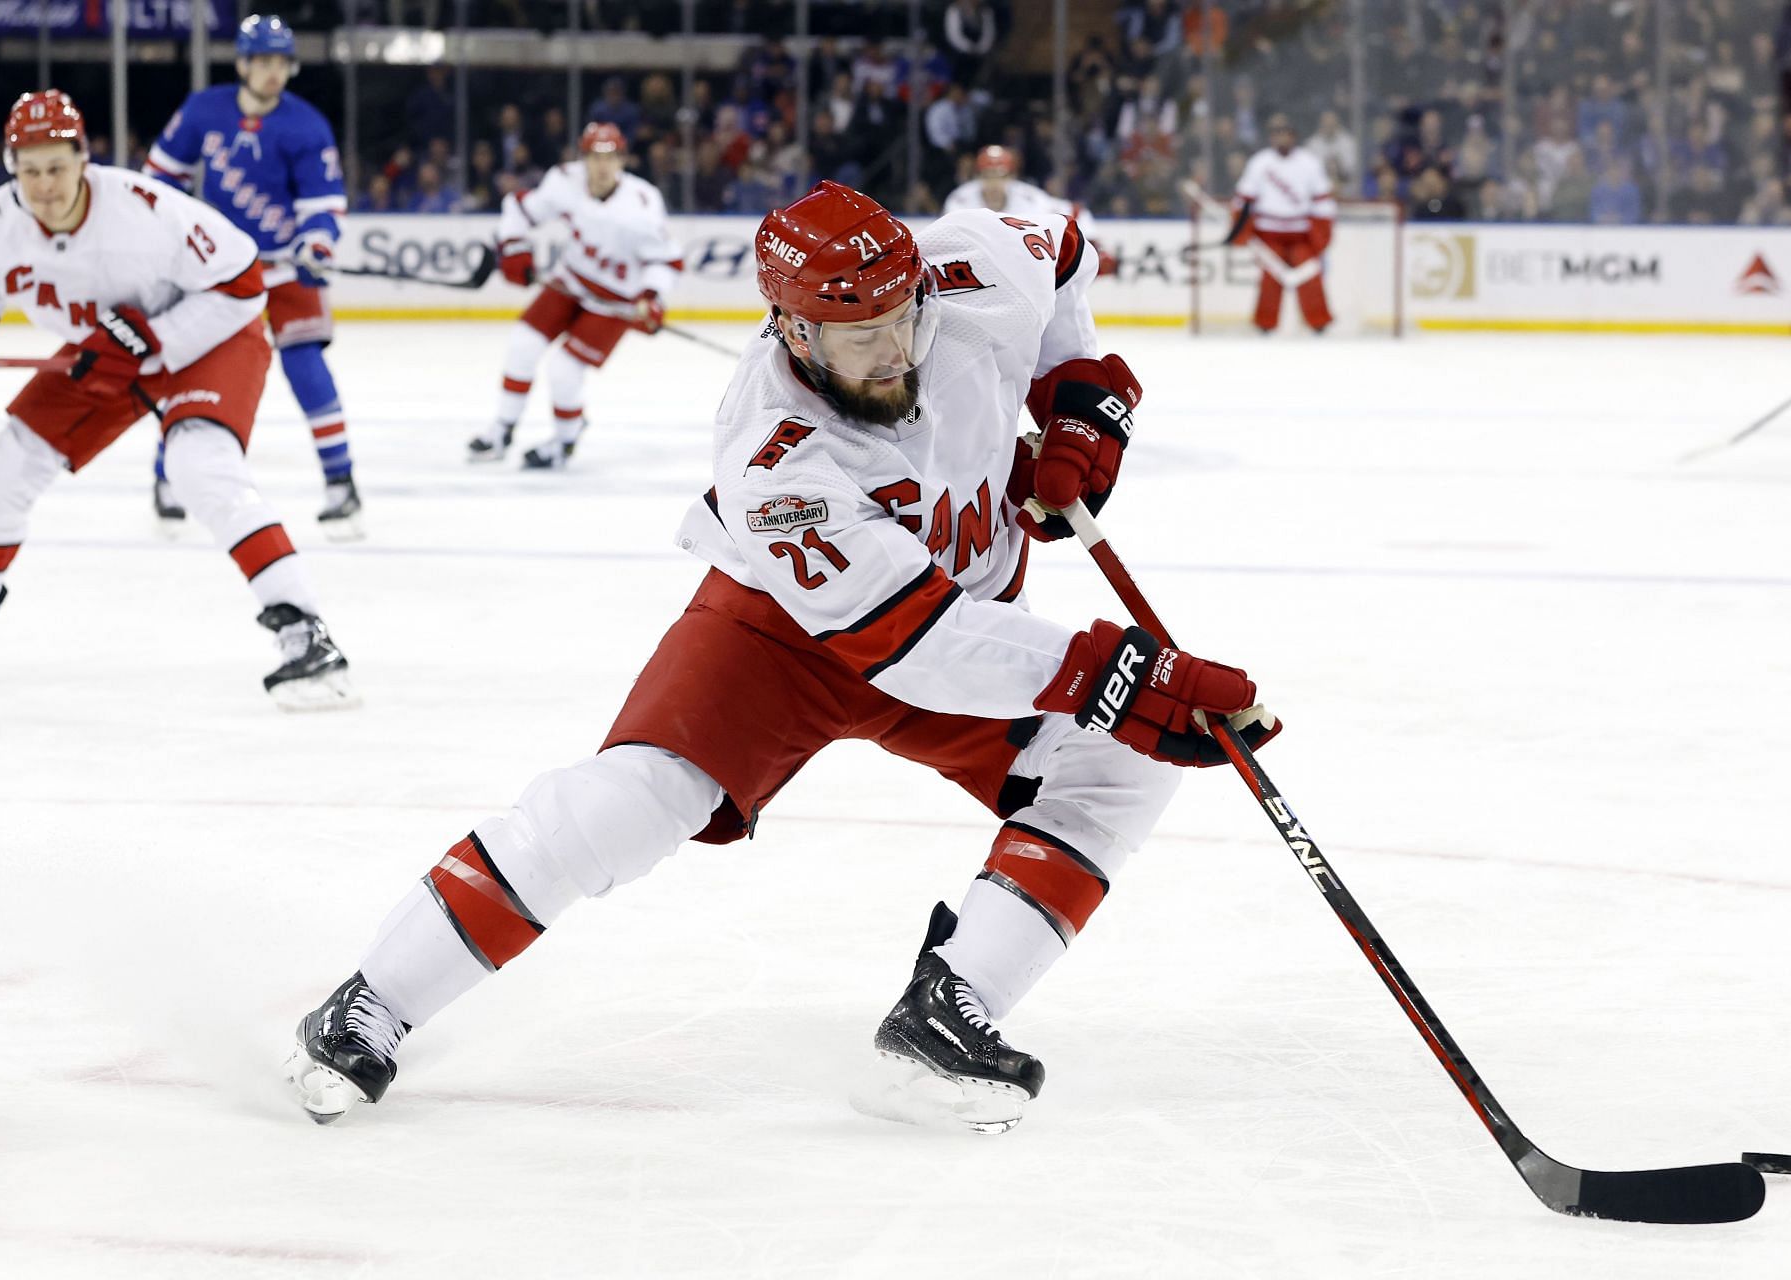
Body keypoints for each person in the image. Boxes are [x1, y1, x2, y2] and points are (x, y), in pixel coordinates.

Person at [285, 180, 1275, 1131]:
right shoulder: (772, 452)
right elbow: (908, 645)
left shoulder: (968, 271)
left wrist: (1076, 391)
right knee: (631, 804)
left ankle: (948, 1012)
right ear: (794, 330)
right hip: (782, 635)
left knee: (1125, 765)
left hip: (954, 620)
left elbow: (1060, 247)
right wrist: (1126, 677)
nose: (896, 351)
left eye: (904, 315)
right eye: (860, 335)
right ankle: (372, 998)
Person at [0, 90, 356, 708]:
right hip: (105, 350)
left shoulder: (144, 212)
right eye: (29, 169)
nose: (44, 186)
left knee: (198, 465)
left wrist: (155, 341)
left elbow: (244, 282)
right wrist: (126, 344)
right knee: (7, 464)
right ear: (10, 166)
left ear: (83, 159)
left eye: (57, 167)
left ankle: (304, 630)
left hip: (210, 336)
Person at [143, 14, 363, 539]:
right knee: (189, 363)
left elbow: (324, 204)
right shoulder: (204, 110)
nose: (272, 72)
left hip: (287, 269)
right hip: (219, 270)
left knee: (305, 364)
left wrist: (315, 243)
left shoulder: (306, 124)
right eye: (262, 61)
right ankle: (166, 475)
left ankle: (341, 481)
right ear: (243, 63)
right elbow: (159, 180)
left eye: (281, 62)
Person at [466, 123, 683, 470]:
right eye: (595, 157)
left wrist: (652, 297)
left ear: (623, 160)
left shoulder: (642, 203)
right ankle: (502, 429)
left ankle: (563, 442)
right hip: (571, 281)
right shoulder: (564, 181)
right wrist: (514, 247)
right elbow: (520, 210)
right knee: (523, 344)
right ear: (583, 158)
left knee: (564, 370)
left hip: (616, 300)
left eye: (611, 157)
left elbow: (668, 260)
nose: (602, 166)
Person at [1224, 113, 1336, 334]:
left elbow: (1323, 201)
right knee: (1270, 278)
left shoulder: (1309, 163)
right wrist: (1241, 228)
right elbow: (1244, 200)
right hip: (1268, 234)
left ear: (1293, 136)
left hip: (1300, 234)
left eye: (1285, 134)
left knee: (1309, 275)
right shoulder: (1259, 163)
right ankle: (1265, 325)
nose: (1281, 138)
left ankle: (1318, 322)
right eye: (1276, 134)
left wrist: (1322, 234)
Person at [943, 146, 1113, 274]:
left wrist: (1092, 245)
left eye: (1000, 176)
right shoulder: (959, 200)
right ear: (978, 176)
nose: (994, 183)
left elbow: (1075, 211)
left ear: (1011, 177)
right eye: (988, 175)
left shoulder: (1029, 198)